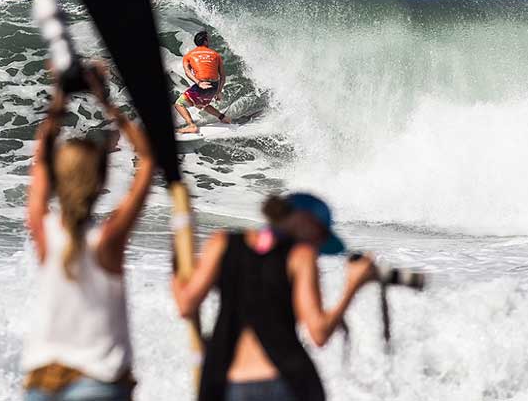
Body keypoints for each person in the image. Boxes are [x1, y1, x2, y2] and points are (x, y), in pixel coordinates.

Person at [22, 68, 154, 401]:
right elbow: (149, 159)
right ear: (102, 181)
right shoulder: (109, 237)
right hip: (98, 379)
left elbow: (39, 160)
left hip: (41, 382)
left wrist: (59, 99)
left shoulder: (44, 230)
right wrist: (108, 103)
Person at [171, 193, 377, 401]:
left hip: (228, 383)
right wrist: (353, 285)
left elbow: (185, 305)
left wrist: (177, 259)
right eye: (321, 234)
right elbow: (319, 332)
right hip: (285, 380)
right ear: (305, 220)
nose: (318, 245)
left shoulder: (222, 243)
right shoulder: (300, 256)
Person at [175, 30, 231, 134]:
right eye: (208, 39)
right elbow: (222, 76)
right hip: (213, 86)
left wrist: (199, 83)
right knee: (200, 104)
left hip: (201, 86)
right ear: (205, 41)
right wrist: (218, 91)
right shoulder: (215, 55)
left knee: (179, 104)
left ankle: (191, 126)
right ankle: (223, 117)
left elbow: (187, 72)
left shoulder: (189, 55)